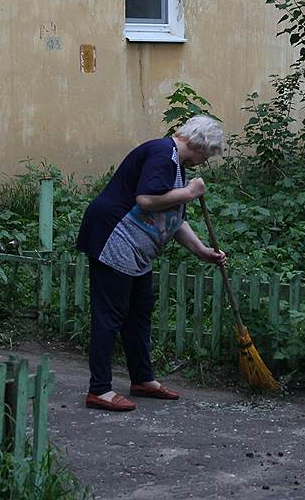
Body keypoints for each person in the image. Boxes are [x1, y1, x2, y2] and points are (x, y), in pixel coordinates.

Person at [76, 115, 228, 412]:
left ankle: (142, 379)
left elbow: (173, 219)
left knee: (139, 312)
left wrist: (201, 251)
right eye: (206, 155)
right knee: (110, 315)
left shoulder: (177, 167)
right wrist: (190, 193)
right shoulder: (162, 153)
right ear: (197, 144)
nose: (203, 162)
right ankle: (100, 390)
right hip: (114, 238)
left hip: (136, 251)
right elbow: (146, 200)